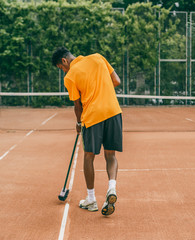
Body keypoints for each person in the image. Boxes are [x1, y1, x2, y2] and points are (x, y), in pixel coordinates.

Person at [52, 47, 122, 216]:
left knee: (89, 156)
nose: (63, 71)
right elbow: (117, 81)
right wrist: (101, 89)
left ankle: (91, 199)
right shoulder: (98, 57)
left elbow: (78, 105)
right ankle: (111, 188)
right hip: (113, 112)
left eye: (62, 68)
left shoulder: (70, 77)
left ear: (64, 61)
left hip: (92, 117)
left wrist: (78, 123)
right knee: (110, 155)